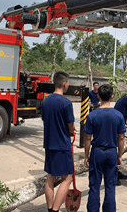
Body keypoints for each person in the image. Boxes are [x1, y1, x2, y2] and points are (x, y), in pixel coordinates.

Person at [84, 84, 126, 212]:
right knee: (110, 185)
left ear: (98, 97)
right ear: (112, 97)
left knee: (94, 184)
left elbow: (87, 138)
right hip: (112, 152)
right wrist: (120, 155)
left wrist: (86, 156)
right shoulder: (118, 115)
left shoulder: (92, 115)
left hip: (97, 152)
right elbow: (121, 138)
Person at [42, 71, 76, 212]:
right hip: (62, 145)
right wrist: (72, 131)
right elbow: (71, 126)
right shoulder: (66, 103)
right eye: (68, 82)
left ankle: (50, 208)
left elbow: (45, 120)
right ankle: (55, 210)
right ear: (64, 84)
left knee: (50, 178)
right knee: (67, 179)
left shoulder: (46, 101)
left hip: (49, 144)